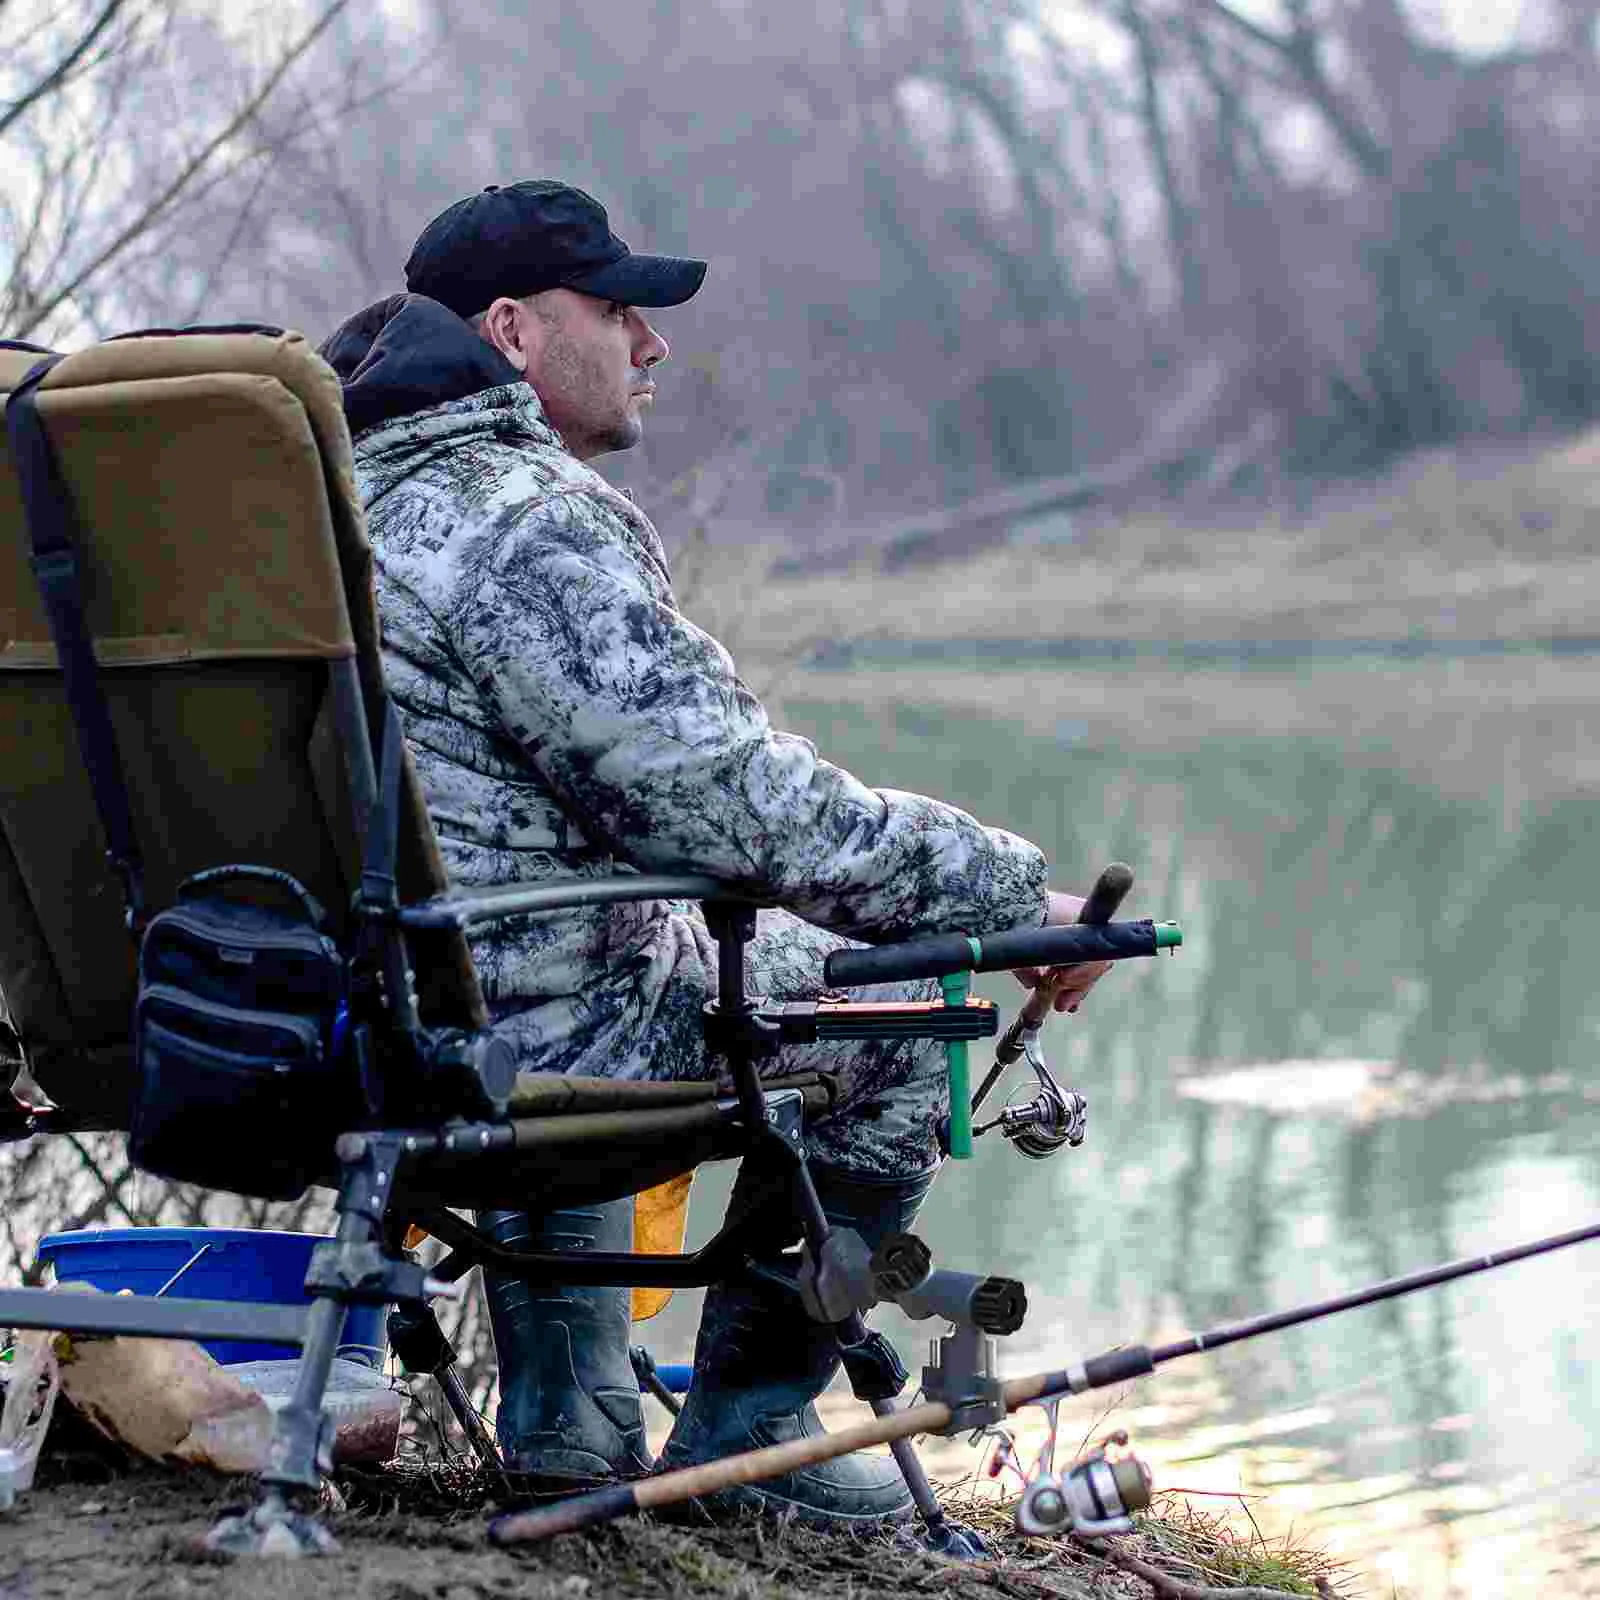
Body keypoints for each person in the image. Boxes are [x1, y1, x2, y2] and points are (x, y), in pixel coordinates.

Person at [319, 180, 1110, 1526]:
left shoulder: (315, 512)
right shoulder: (522, 518)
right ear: (511, 329)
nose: (652, 341)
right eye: (619, 308)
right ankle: (748, 1431)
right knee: (910, 1011)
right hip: (514, 1046)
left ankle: (574, 1424)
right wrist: (1007, 893)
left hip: (307, 1028)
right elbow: (742, 811)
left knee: (585, 957)